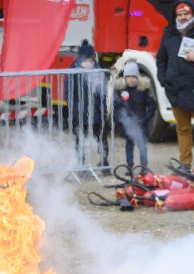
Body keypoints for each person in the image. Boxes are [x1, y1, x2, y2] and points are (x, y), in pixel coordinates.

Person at [156, 1, 194, 170]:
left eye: (186, 13)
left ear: (193, 14)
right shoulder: (168, 34)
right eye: (180, 14)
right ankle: (185, 165)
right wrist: (163, 80)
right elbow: (161, 59)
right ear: (175, 16)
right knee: (182, 129)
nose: (183, 17)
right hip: (175, 90)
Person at [65, 39, 111, 176]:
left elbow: (102, 90)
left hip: (96, 111)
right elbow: (69, 93)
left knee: (102, 137)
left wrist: (103, 108)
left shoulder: (97, 69)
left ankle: (104, 162)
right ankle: (81, 166)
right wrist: (74, 110)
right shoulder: (73, 71)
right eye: (88, 58)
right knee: (80, 139)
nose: (91, 61)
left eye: (92, 58)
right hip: (80, 111)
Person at [113, 60, 157, 173]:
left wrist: (146, 119)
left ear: (137, 77)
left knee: (142, 145)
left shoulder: (143, 90)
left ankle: (143, 167)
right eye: (128, 77)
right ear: (124, 78)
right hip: (128, 124)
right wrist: (120, 120)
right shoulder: (120, 90)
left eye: (133, 77)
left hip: (141, 123)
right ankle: (130, 166)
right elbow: (116, 106)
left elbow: (152, 105)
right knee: (129, 145)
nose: (130, 80)